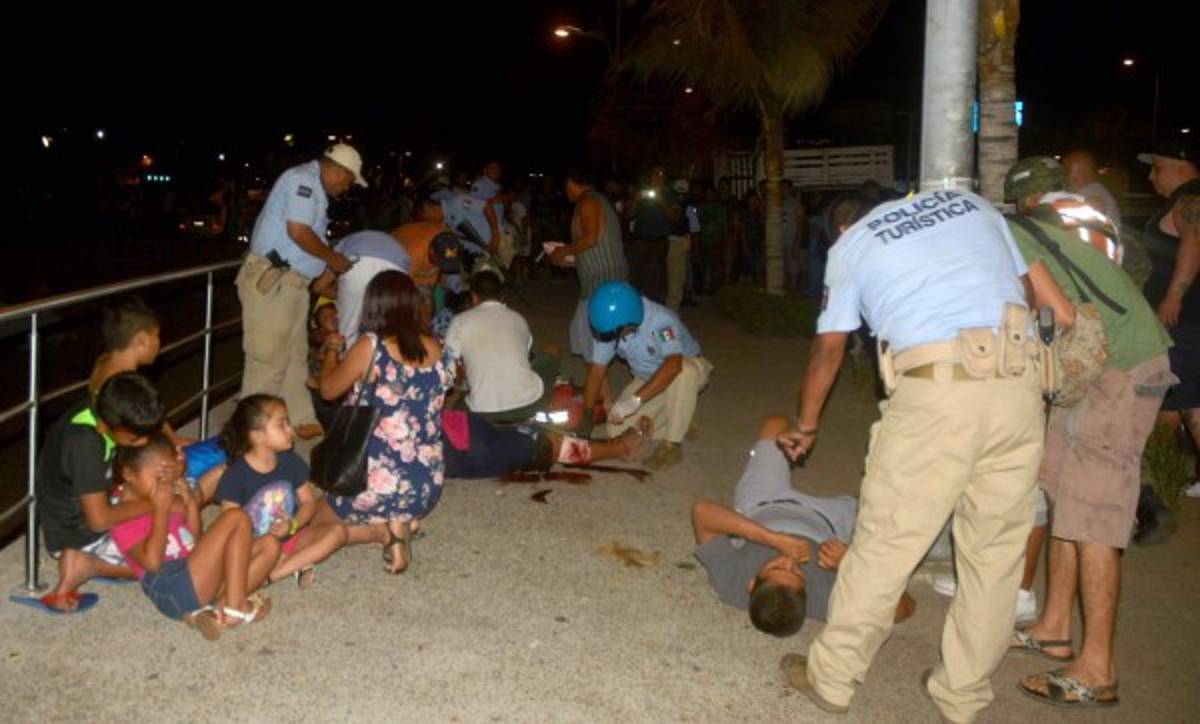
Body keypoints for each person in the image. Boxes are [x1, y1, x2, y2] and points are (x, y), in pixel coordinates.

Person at [776, 189, 1044, 723]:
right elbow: (1028, 293)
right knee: (996, 555)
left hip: (938, 391)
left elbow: (829, 348)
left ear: (842, 226)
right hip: (1020, 384)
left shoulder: (853, 246)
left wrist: (806, 425)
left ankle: (831, 680)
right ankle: (962, 694)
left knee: (888, 542)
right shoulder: (973, 205)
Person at [1001, 157, 1174, 708]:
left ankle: (1098, 669)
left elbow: (1061, 317)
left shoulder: (1013, 236)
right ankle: (1054, 627)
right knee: (1060, 491)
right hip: (1090, 371)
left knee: (1096, 514)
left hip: (1119, 369)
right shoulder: (1076, 220)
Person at [693, 415, 915, 636]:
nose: (790, 561)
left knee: (776, 425)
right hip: (831, 520)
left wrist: (773, 538)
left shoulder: (732, 582)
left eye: (777, 567)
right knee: (904, 509)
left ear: (752, 584)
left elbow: (702, 512)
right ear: (806, 594)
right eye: (798, 574)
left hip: (764, 504)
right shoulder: (824, 601)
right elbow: (905, 609)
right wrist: (852, 564)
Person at [316, 271, 455, 573]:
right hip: (426, 484)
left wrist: (331, 351)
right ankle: (403, 520)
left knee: (313, 522)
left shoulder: (371, 347)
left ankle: (383, 533)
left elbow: (327, 390)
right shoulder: (440, 347)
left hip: (372, 480)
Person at [236, 143, 367, 440]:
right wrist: (332, 258)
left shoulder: (315, 190)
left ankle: (297, 418)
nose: (347, 188)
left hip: (292, 284)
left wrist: (325, 268)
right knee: (267, 360)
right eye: (348, 180)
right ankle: (252, 435)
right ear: (338, 171)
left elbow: (307, 238)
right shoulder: (304, 182)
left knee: (294, 356)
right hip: (275, 280)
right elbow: (298, 231)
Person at [110, 433, 276, 637]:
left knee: (270, 545)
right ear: (129, 474)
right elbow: (152, 563)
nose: (166, 483)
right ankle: (234, 606)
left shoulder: (169, 499)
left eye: (169, 475)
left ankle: (217, 608)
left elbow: (196, 541)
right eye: (158, 477)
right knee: (235, 517)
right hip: (170, 586)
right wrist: (161, 511)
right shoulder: (121, 516)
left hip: (197, 577)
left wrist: (190, 505)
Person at [28, 373, 165, 613]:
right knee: (170, 561)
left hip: (97, 504)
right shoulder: (85, 442)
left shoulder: (103, 412)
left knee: (177, 515)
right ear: (107, 426)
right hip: (77, 532)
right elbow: (98, 520)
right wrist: (156, 503)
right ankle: (90, 565)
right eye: (134, 439)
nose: (142, 443)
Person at [214, 395, 349, 589]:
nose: (290, 430)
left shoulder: (291, 461)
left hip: (292, 535)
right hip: (255, 547)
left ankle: (273, 574)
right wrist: (260, 546)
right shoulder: (235, 476)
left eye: (288, 423)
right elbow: (229, 528)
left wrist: (293, 525)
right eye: (281, 425)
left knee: (338, 533)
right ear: (257, 435)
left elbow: (309, 503)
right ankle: (288, 562)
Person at [581, 281, 712, 471]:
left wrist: (634, 401)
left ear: (629, 322)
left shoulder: (661, 323)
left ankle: (672, 444)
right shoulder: (611, 325)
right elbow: (597, 371)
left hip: (683, 372)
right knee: (614, 430)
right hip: (648, 380)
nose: (606, 337)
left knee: (685, 371)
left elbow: (673, 365)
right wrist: (587, 413)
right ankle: (680, 412)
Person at [1138, 138, 1200, 499]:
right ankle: (1169, 478)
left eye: (1157, 167)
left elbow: (1194, 241)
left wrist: (1172, 297)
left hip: (1184, 320)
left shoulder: (1190, 198)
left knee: (1175, 397)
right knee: (1185, 397)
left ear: (1182, 166)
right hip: (1188, 319)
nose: (1150, 175)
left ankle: (1164, 482)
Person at [444, 271, 560, 423]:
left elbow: (446, 372)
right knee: (552, 350)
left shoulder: (459, 321)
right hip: (529, 405)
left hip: (483, 412)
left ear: (474, 296)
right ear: (501, 295)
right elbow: (527, 358)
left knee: (453, 411)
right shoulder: (518, 318)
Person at [551, 165, 629, 357]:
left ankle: (596, 387)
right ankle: (598, 386)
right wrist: (571, 261)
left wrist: (563, 251)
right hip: (605, 276)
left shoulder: (587, 201)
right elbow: (598, 245)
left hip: (602, 281)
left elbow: (591, 238)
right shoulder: (598, 200)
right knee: (589, 339)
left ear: (570, 182)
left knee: (586, 340)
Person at [311, 229, 412, 347]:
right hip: (397, 259)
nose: (330, 318)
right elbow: (319, 287)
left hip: (361, 258)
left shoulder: (337, 253)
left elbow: (319, 286)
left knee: (347, 335)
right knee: (396, 324)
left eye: (324, 316)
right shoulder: (345, 244)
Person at [628, 164, 680, 303]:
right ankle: (634, 307)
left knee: (656, 280)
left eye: (661, 173)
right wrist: (635, 201)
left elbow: (675, 217)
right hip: (640, 240)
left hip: (659, 241)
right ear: (650, 175)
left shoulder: (670, 193)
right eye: (655, 173)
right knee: (636, 277)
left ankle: (653, 311)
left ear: (665, 177)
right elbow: (629, 215)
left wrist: (662, 202)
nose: (657, 176)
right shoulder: (642, 192)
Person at [1061, 150, 1122, 226]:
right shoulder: (1096, 191)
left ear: (1085, 175)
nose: (1065, 179)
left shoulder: (1089, 196)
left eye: (1067, 173)